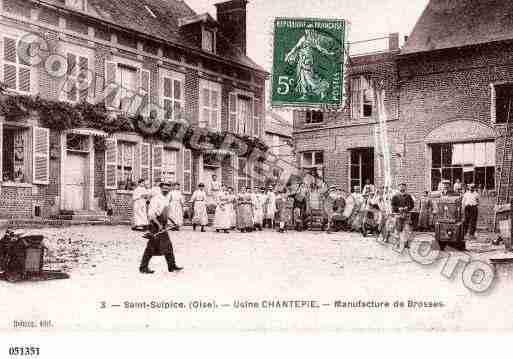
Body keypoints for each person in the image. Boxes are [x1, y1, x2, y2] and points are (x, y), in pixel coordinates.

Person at [139, 182, 182, 274]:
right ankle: (143, 267)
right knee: (151, 247)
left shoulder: (166, 199)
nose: (166, 190)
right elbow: (151, 215)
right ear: (160, 189)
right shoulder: (156, 199)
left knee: (168, 246)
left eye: (167, 188)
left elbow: (166, 213)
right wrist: (159, 225)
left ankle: (172, 266)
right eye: (164, 188)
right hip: (155, 225)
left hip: (162, 224)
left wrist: (174, 222)